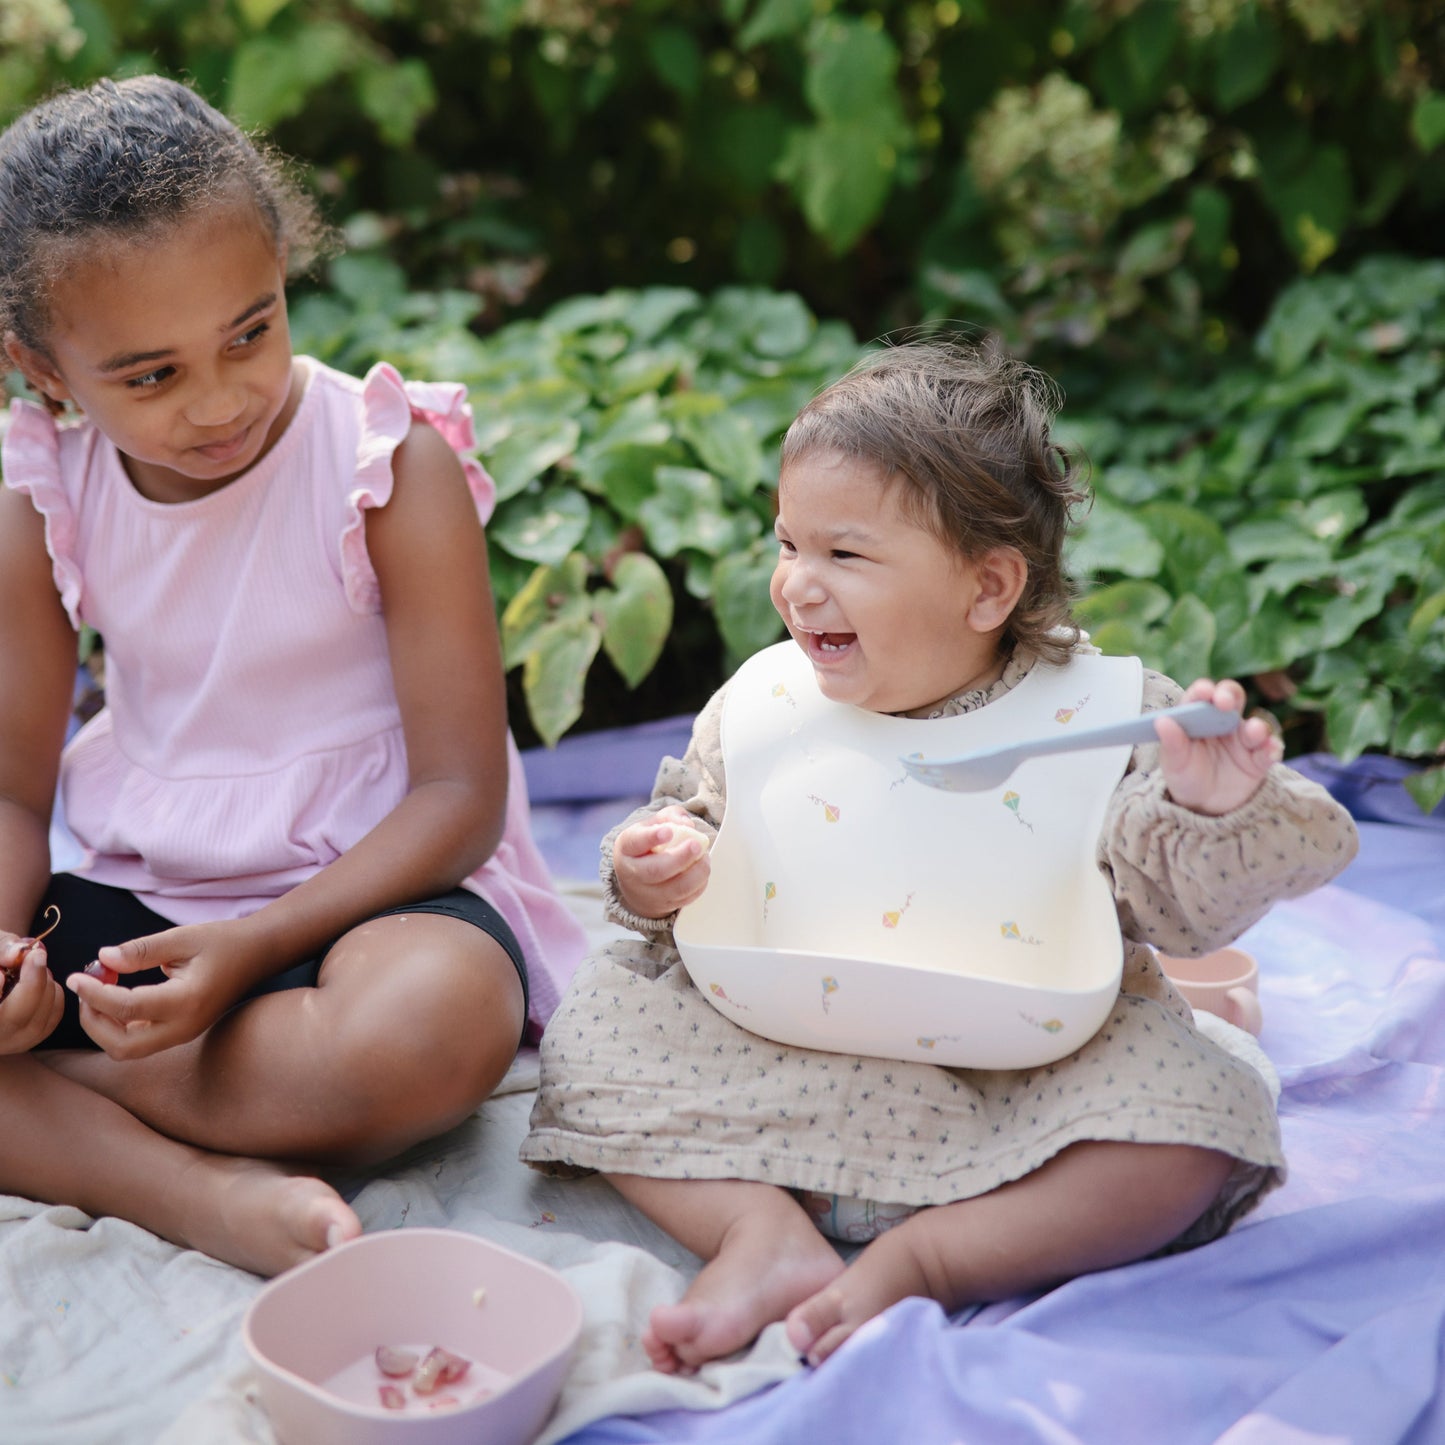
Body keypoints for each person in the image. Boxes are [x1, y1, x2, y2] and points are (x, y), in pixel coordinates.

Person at [522, 339, 1359, 1372]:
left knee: (1196, 1121)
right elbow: (693, 818)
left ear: (986, 588)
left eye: (846, 554)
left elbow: (1185, 912)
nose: (795, 584)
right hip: (778, 1047)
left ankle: (930, 1257)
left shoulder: (1094, 721)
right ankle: (759, 1232)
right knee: (595, 1028)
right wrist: (659, 862)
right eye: (787, 542)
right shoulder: (771, 702)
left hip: (1016, 1070)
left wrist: (1207, 800)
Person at [0, 76, 585, 1278]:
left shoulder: (385, 465)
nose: (219, 401)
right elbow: (13, 791)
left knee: (431, 1032)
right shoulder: (43, 498)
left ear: (284, 269)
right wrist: (4, 948)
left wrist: (252, 951)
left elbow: (459, 796)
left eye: (249, 330)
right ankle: (202, 1194)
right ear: (44, 368)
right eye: (149, 375)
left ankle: (69, 1094)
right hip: (140, 904)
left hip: (374, 887)